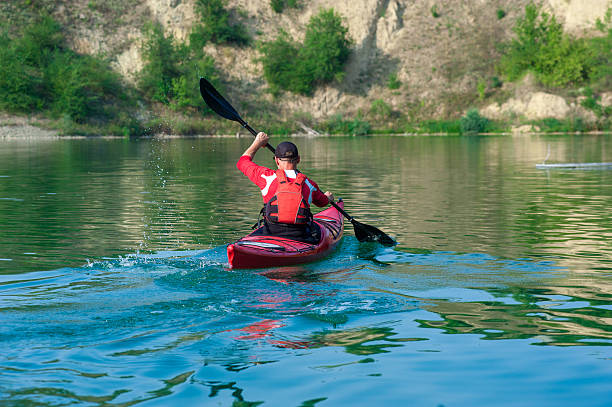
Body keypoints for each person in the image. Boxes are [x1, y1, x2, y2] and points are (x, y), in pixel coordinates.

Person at [237, 132, 334, 243]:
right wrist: (329, 198)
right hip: (300, 238)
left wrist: (258, 143)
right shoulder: (309, 184)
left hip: (270, 234)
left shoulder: (265, 177)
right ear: (298, 160)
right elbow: (322, 202)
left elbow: (242, 162)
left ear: (277, 160)